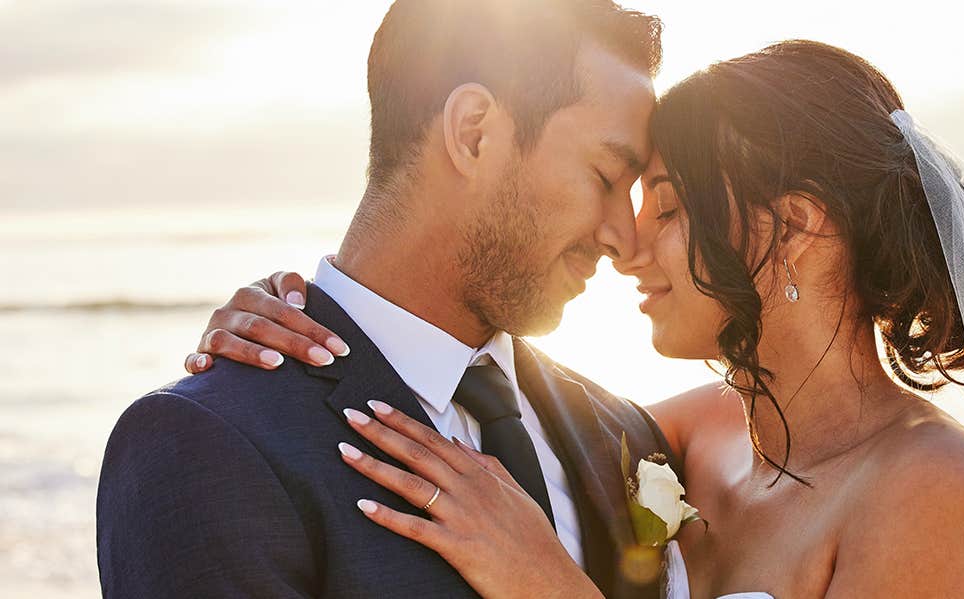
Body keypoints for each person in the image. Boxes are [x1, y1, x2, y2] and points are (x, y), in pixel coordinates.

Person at [192, 40, 964, 598]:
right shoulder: (663, 440)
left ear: (797, 228)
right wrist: (299, 320)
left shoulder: (934, 483)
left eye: (668, 210)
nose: (631, 244)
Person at [95, 1, 676, 597]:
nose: (623, 237)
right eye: (607, 178)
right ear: (473, 133)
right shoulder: (208, 443)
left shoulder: (625, 433)